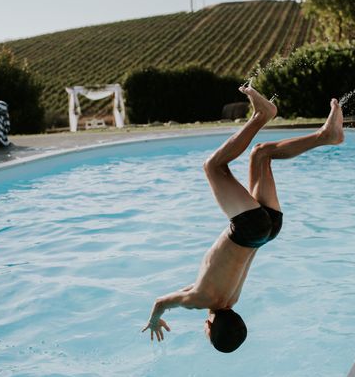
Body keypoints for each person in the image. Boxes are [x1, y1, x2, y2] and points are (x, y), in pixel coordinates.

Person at [142, 83, 344, 353]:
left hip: (267, 231)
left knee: (261, 154)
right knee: (213, 166)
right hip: (248, 229)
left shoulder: (230, 298)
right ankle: (262, 116)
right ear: (209, 328)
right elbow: (161, 302)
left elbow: (201, 282)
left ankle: (325, 136)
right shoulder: (199, 300)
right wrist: (155, 320)